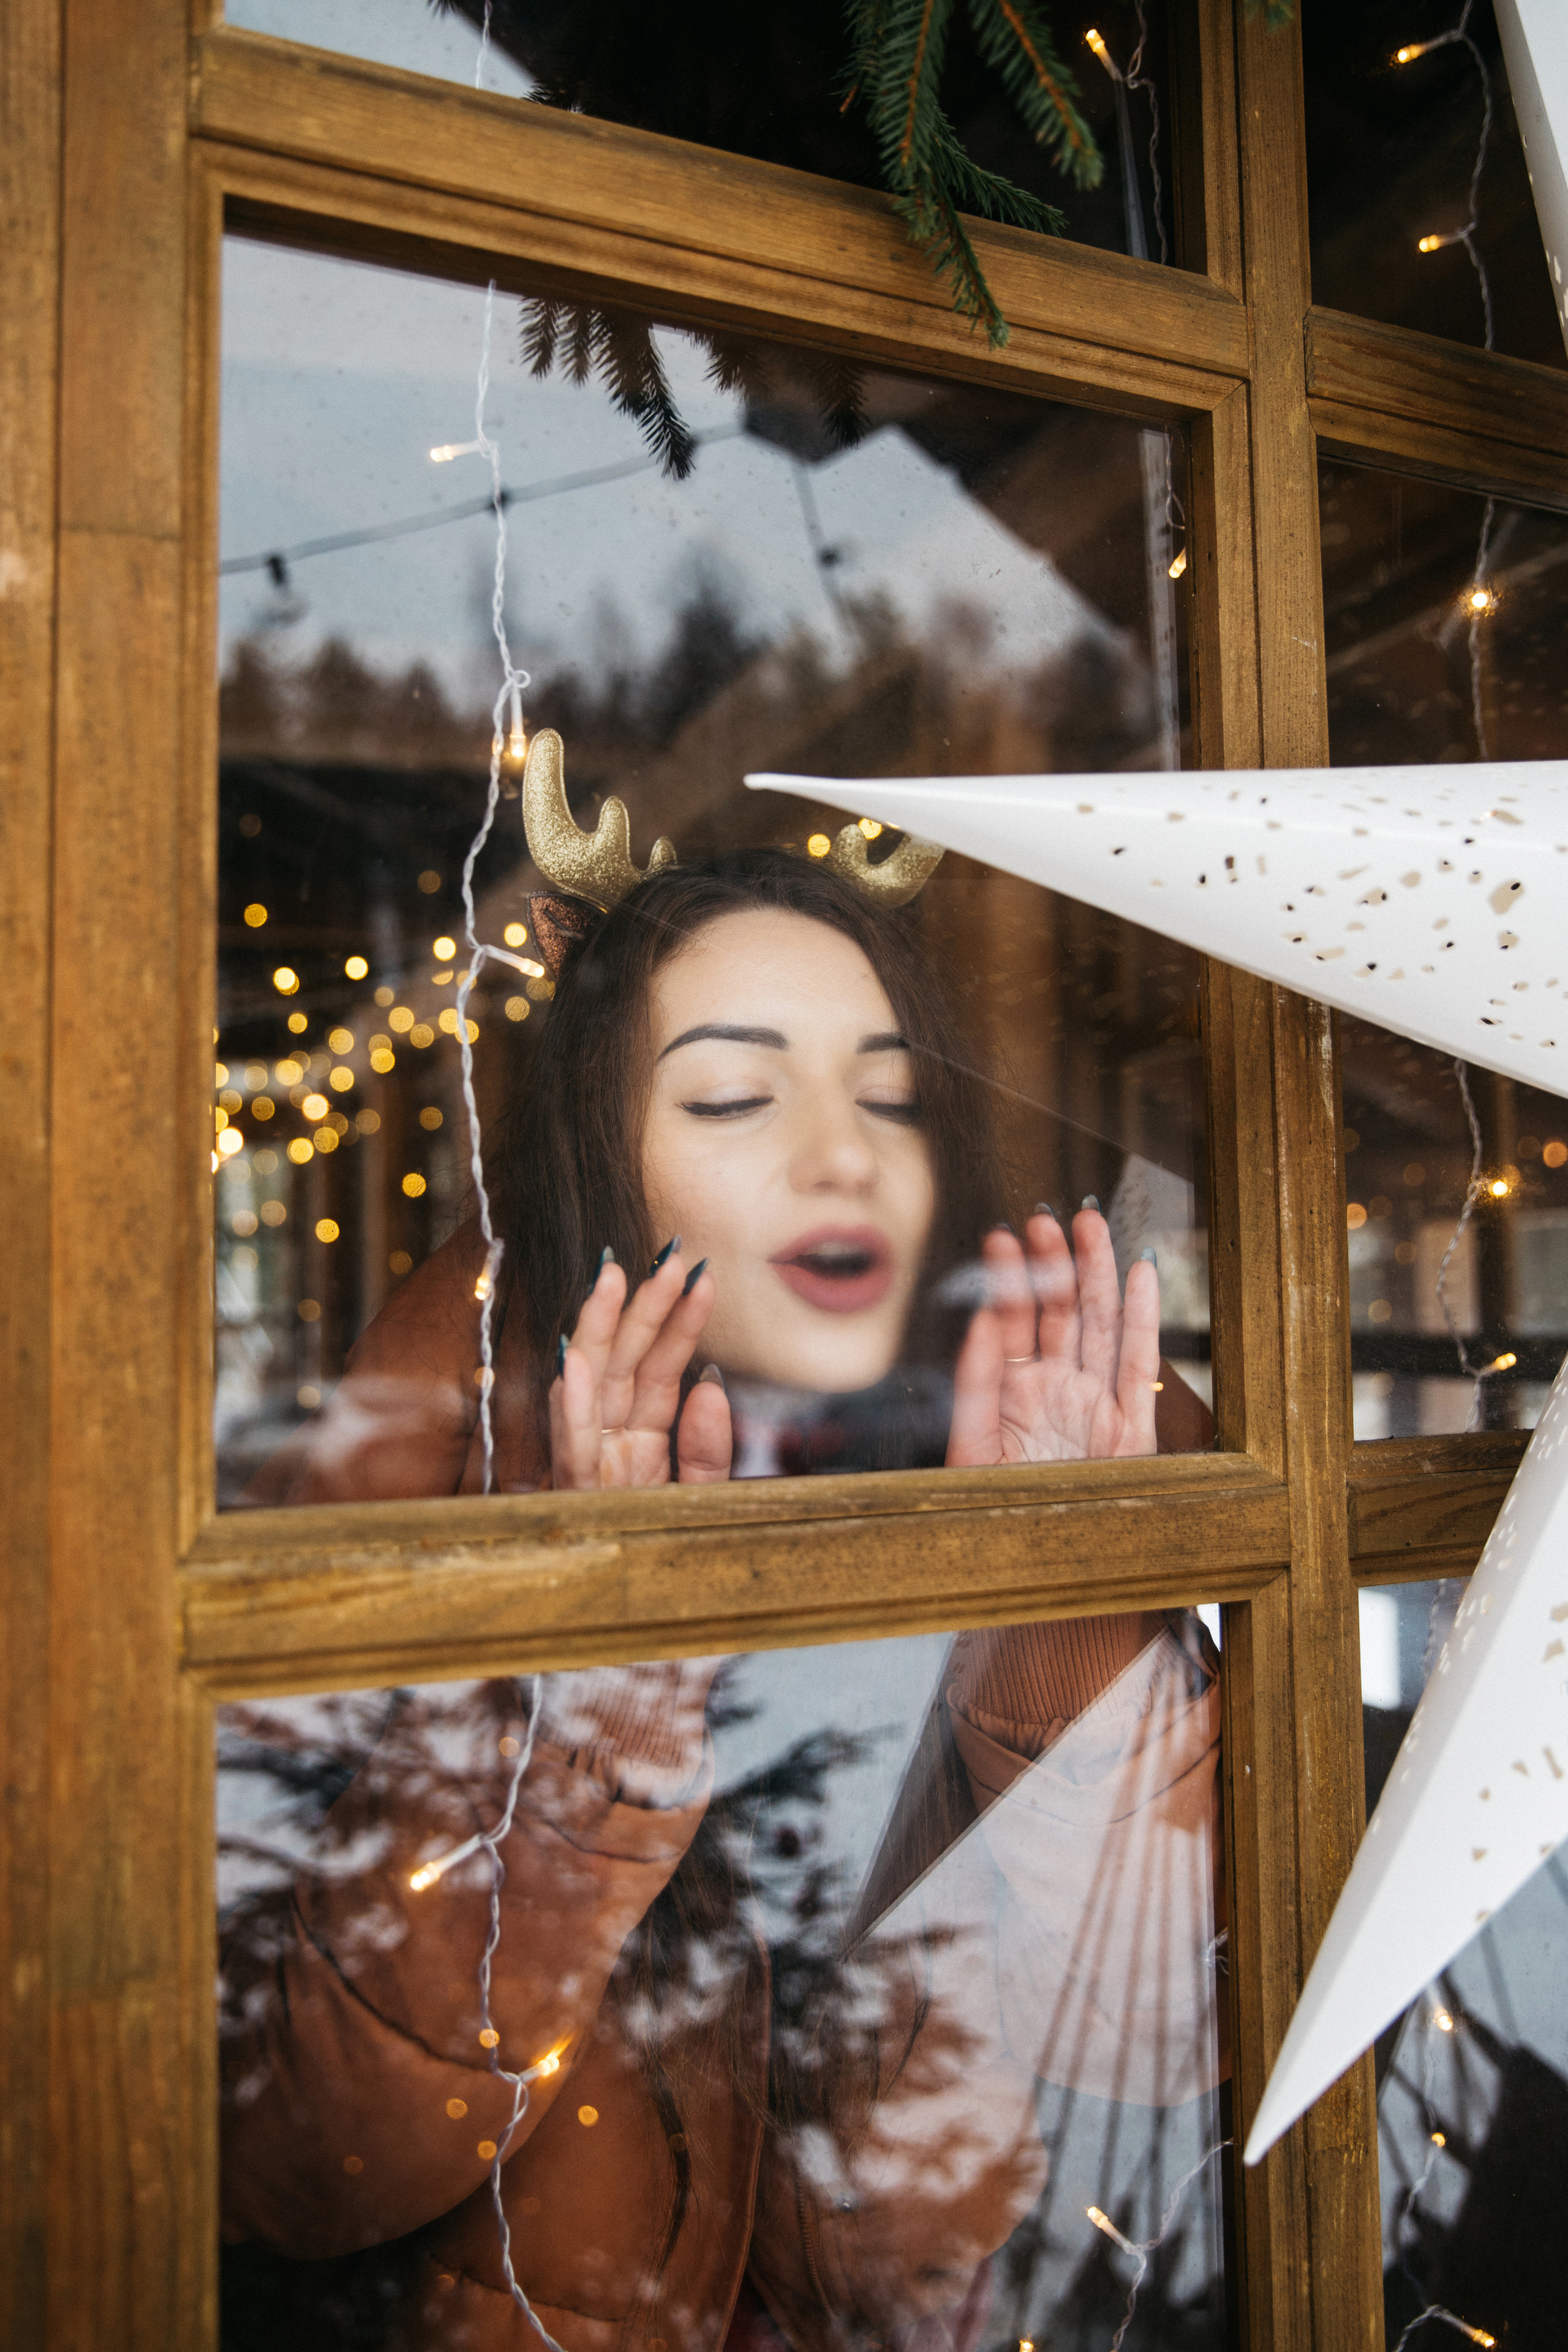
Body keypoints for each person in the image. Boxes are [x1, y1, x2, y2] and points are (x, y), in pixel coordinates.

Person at [220, 843, 1225, 2352]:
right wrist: (585, 1733)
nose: (842, 1155)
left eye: (884, 1093)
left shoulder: (1041, 1416)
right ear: (599, 1167)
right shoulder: (436, 1471)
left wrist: (1055, 1609)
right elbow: (296, 2168)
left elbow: (1166, 2054)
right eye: (732, 1097)